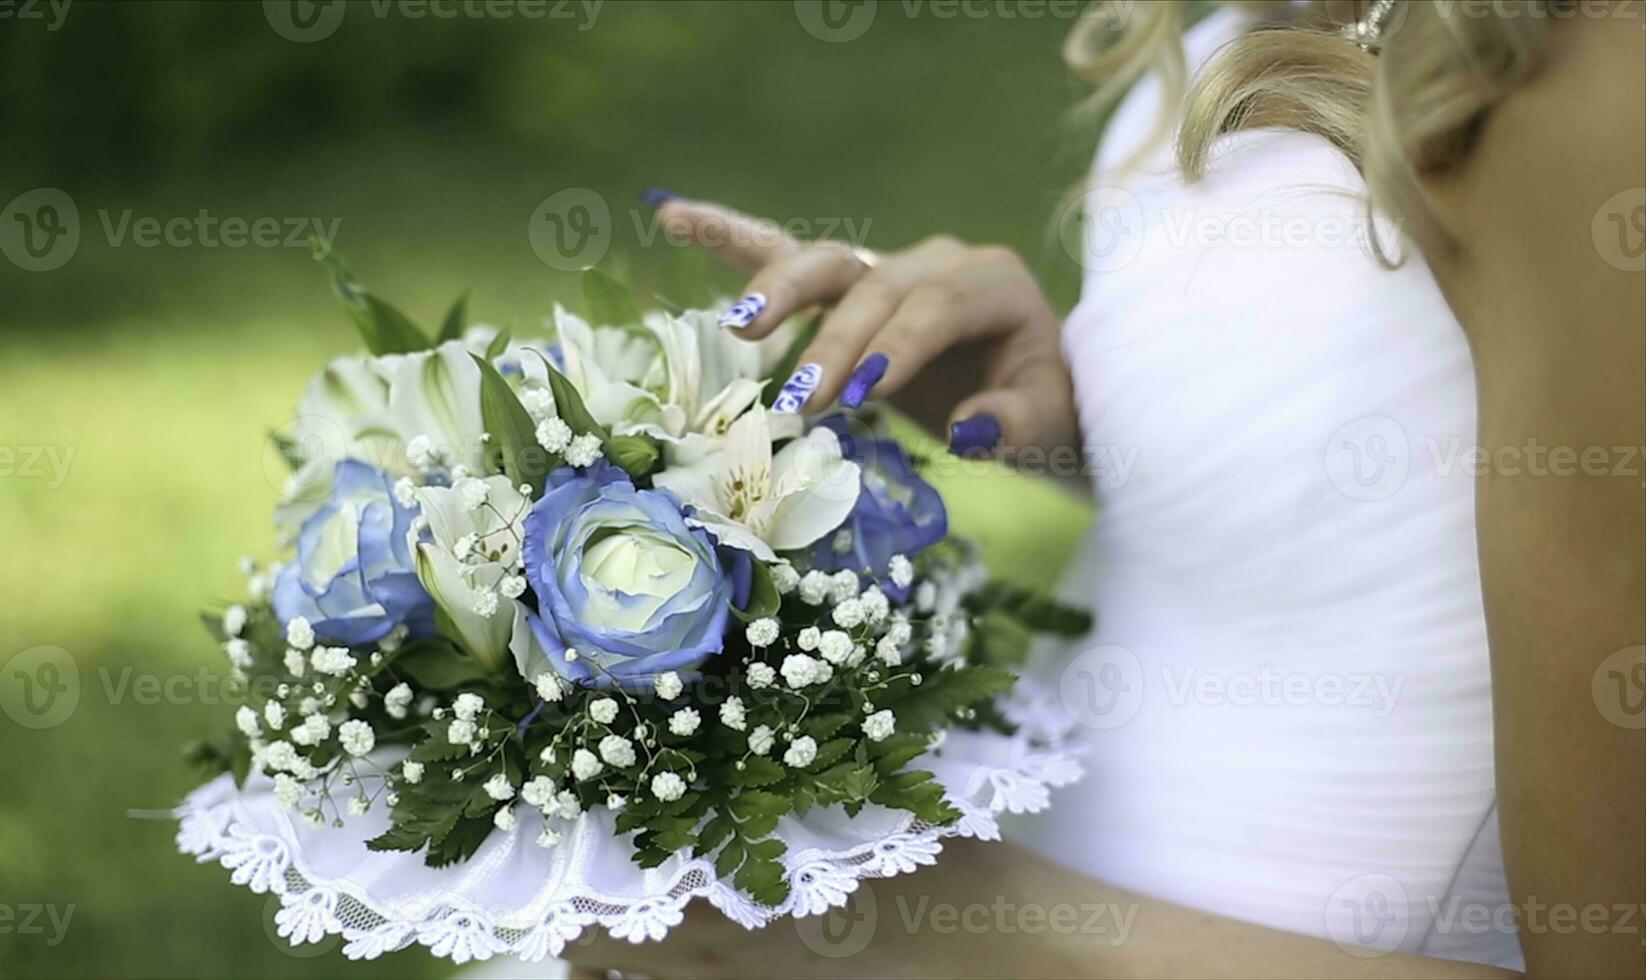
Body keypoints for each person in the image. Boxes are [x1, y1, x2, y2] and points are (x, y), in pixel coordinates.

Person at [568, 2, 1644, 976]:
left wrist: (943, 914)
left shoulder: (1582, 84)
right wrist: (1051, 411)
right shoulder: (1224, 28)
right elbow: (1365, 514)